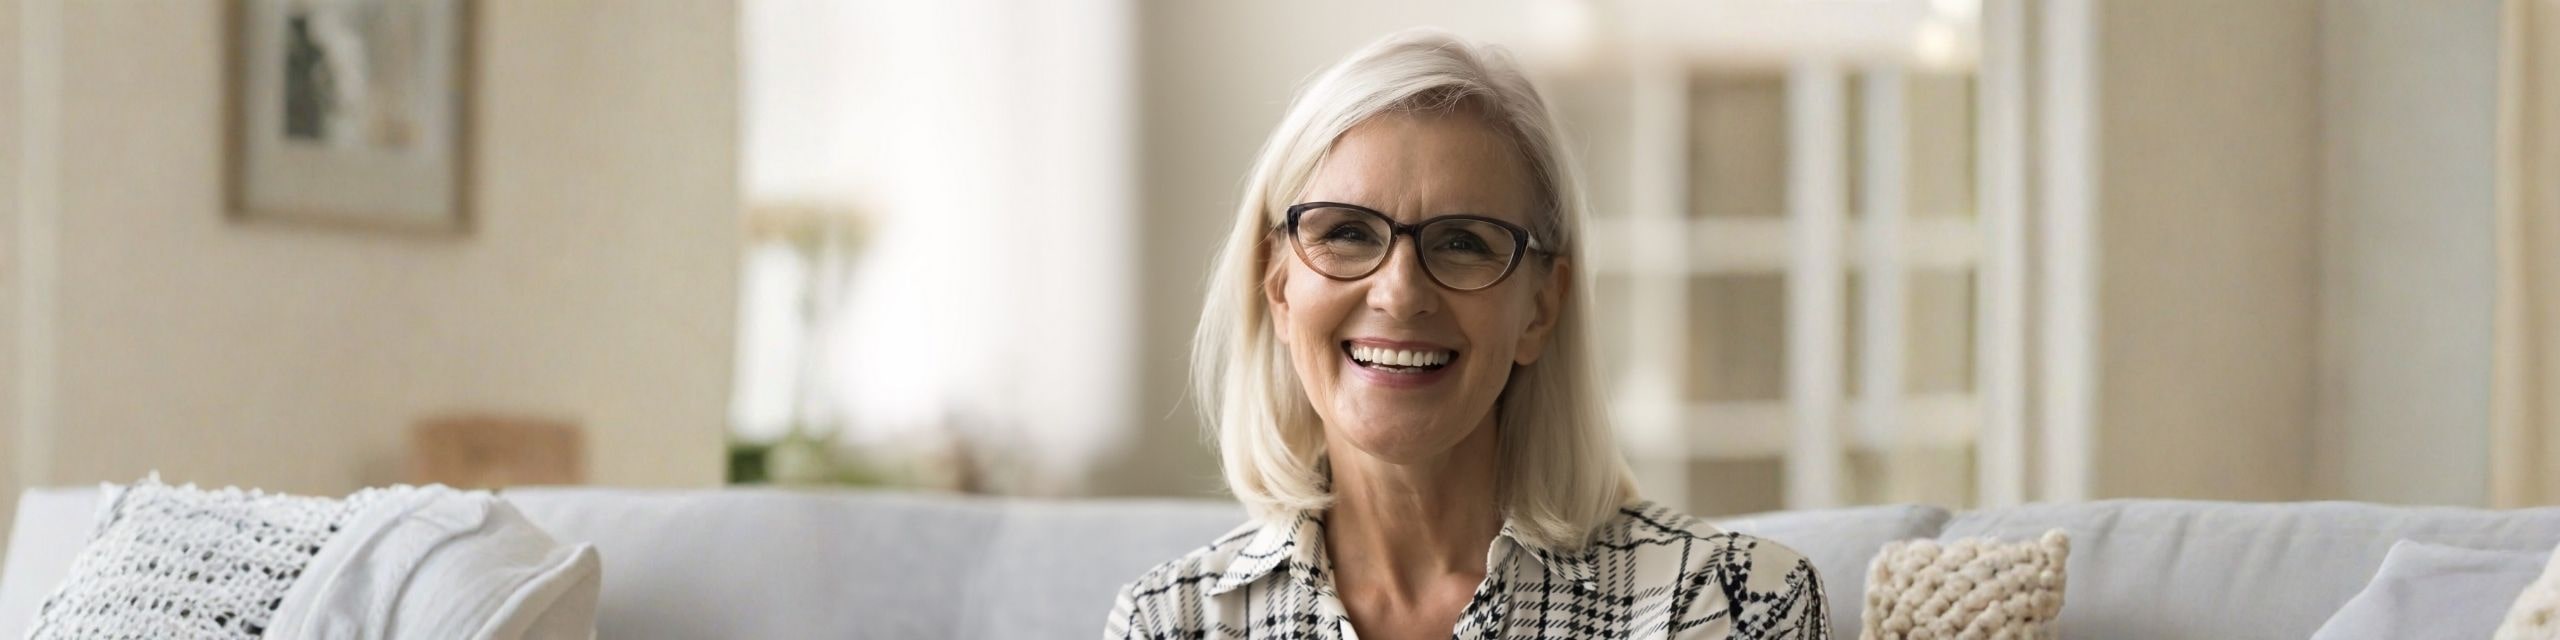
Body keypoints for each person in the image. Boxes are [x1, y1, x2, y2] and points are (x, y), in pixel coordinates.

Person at [1107, 28, 1829, 639]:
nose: (1399, 292)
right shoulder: (1175, 620)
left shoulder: (1722, 603)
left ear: (1541, 308)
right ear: (1279, 287)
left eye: (1462, 242)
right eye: (1348, 232)